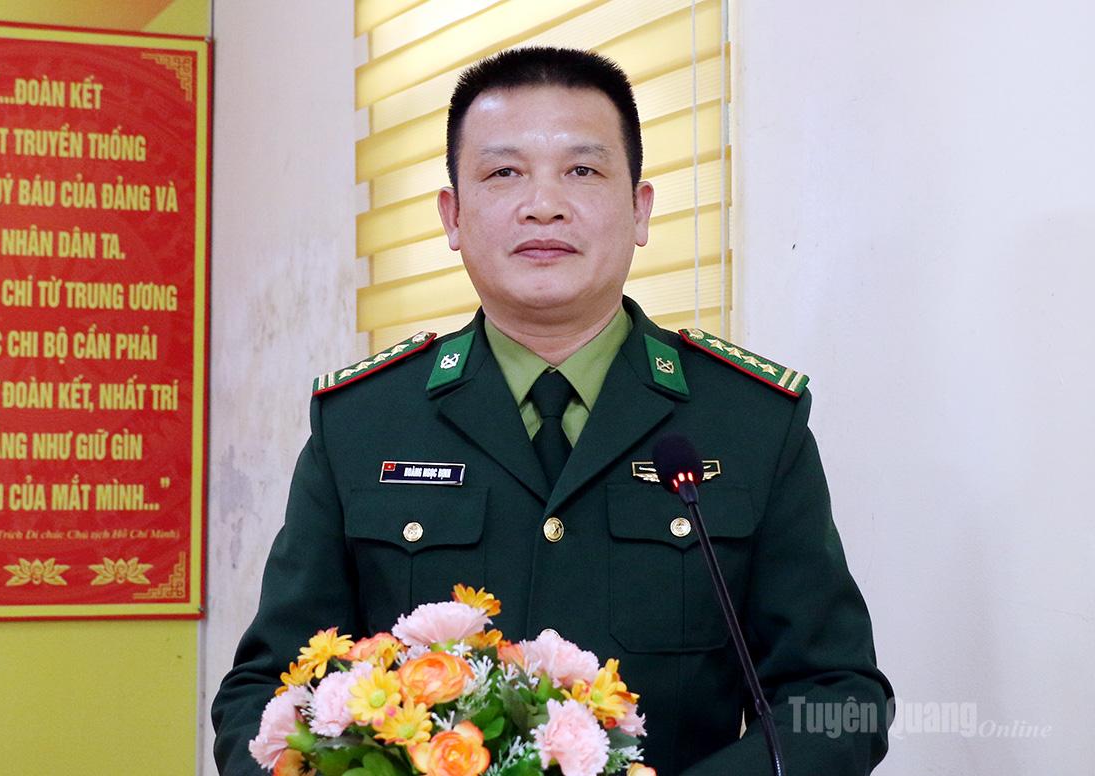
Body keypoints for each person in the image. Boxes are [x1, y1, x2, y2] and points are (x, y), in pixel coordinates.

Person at [213, 46, 893, 775]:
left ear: (639, 210)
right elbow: (265, 695)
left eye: (583, 171)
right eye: (504, 173)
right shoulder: (362, 424)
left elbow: (841, 699)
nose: (544, 204)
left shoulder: (751, 423)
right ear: (453, 216)